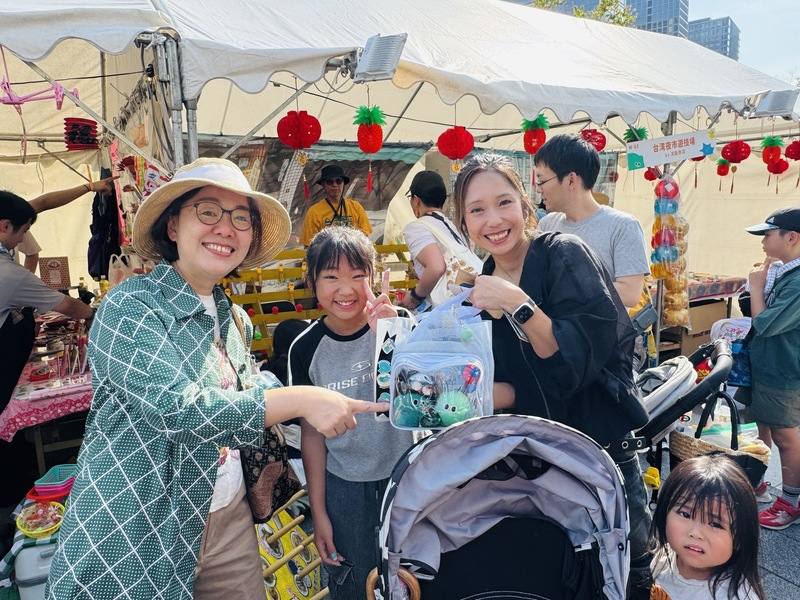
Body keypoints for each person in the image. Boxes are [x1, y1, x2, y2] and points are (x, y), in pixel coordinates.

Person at [45, 158, 388, 600]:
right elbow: (176, 409)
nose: (225, 228)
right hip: (138, 525)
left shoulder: (234, 318)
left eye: (241, 218)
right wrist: (301, 399)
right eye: (208, 212)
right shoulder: (131, 306)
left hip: (228, 519)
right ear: (173, 226)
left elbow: (251, 389)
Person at [451, 153, 652, 599]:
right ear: (463, 222)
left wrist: (517, 302)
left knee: (627, 564)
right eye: (477, 210)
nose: (493, 220)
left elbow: (570, 365)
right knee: (562, 570)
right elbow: (510, 386)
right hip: (536, 461)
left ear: (525, 203)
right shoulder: (481, 286)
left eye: (504, 202)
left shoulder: (564, 254)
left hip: (598, 448)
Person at [290, 226, 415, 599]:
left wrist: (393, 336)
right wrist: (319, 513)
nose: (345, 289)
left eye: (358, 276)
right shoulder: (305, 348)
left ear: (374, 278)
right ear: (312, 281)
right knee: (356, 581)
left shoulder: (400, 324)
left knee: (415, 576)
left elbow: (427, 401)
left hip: (408, 479)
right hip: (344, 489)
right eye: (331, 277)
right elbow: (312, 436)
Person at [534, 135, 649, 309]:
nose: (538, 189)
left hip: (599, 327)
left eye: (542, 181)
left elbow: (629, 293)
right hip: (553, 325)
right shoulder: (547, 225)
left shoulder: (623, 226)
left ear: (571, 180)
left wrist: (565, 288)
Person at [739, 207, 800, 530]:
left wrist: (756, 287)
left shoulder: (797, 281)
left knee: (785, 436)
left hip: (783, 371)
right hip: (769, 366)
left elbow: (764, 324)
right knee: (763, 425)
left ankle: (790, 502)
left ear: (792, 238)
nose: (763, 241)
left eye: (768, 234)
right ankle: (758, 482)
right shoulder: (786, 272)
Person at [650, 454, 765, 599]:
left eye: (715, 524)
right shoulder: (661, 558)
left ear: (741, 537)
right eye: (685, 514)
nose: (696, 533)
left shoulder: (735, 595)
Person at [400, 170, 481, 310]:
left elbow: (436, 267)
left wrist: (414, 297)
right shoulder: (452, 226)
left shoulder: (416, 228)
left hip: (451, 307)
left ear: (416, 200)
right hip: (472, 302)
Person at [14, 176, 118, 273]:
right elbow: (42, 203)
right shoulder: (10, 222)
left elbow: (42, 203)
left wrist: (90, 187)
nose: (20, 239)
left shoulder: (10, 217)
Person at [300, 164, 372, 245]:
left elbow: (365, 238)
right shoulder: (314, 212)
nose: (335, 185)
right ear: (323, 184)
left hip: (352, 251)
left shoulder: (356, 207)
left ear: (343, 183)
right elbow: (309, 245)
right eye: (330, 182)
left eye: (338, 181)